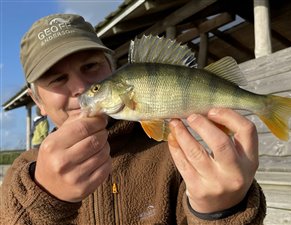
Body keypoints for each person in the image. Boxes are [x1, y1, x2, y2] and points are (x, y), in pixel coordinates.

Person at [0, 14, 266, 224]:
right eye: (57, 79)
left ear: (112, 70)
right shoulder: (23, 178)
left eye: (91, 67)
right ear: (38, 103)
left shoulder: (177, 151)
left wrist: (222, 211)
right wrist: (43, 200)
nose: (80, 87)